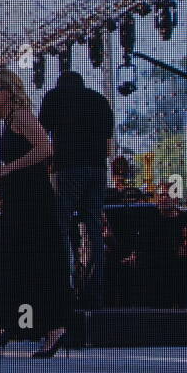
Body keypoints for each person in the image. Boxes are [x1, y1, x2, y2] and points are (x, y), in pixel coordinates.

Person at [0, 68, 72, 358]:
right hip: (21, 201)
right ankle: (22, 327)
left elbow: (45, 149)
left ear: (9, 90)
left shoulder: (22, 116)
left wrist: (7, 169)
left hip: (33, 203)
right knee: (20, 264)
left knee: (22, 262)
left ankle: (15, 327)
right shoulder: (10, 122)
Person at [39, 66, 115, 307]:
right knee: (92, 229)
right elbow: (108, 136)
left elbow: (42, 133)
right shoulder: (100, 100)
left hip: (66, 168)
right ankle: (93, 292)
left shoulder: (54, 97)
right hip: (97, 169)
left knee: (59, 228)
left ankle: (62, 289)